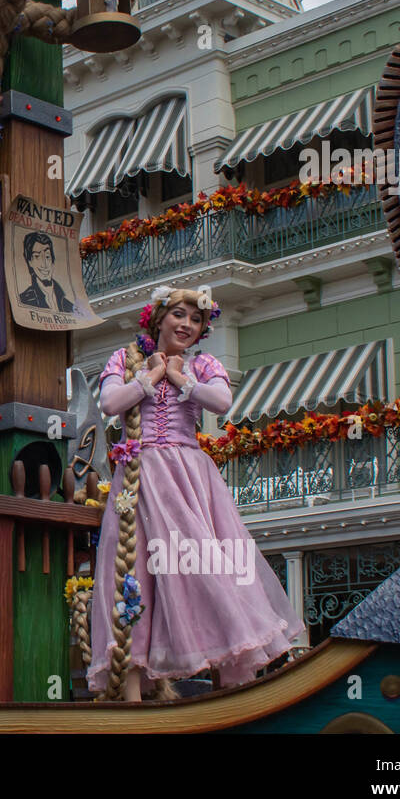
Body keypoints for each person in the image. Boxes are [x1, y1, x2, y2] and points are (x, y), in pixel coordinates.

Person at [88, 285, 303, 702]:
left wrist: (178, 376)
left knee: (206, 569)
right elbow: (111, 402)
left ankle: (228, 686)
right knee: (135, 575)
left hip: (189, 477)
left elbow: (222, 401)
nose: (187, 325)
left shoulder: (203, 364)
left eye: (196, 319)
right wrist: (151, 374)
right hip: (139, 476)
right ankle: (132, 695)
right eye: (179, 315)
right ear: (158, 318)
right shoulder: (124, 358)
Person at [17, 232, 74, 313]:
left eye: (47, 256)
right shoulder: (24, 300)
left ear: (52, 261)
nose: (44, 264)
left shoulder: (68, 305)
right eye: (37, 256)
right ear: (30, 262)